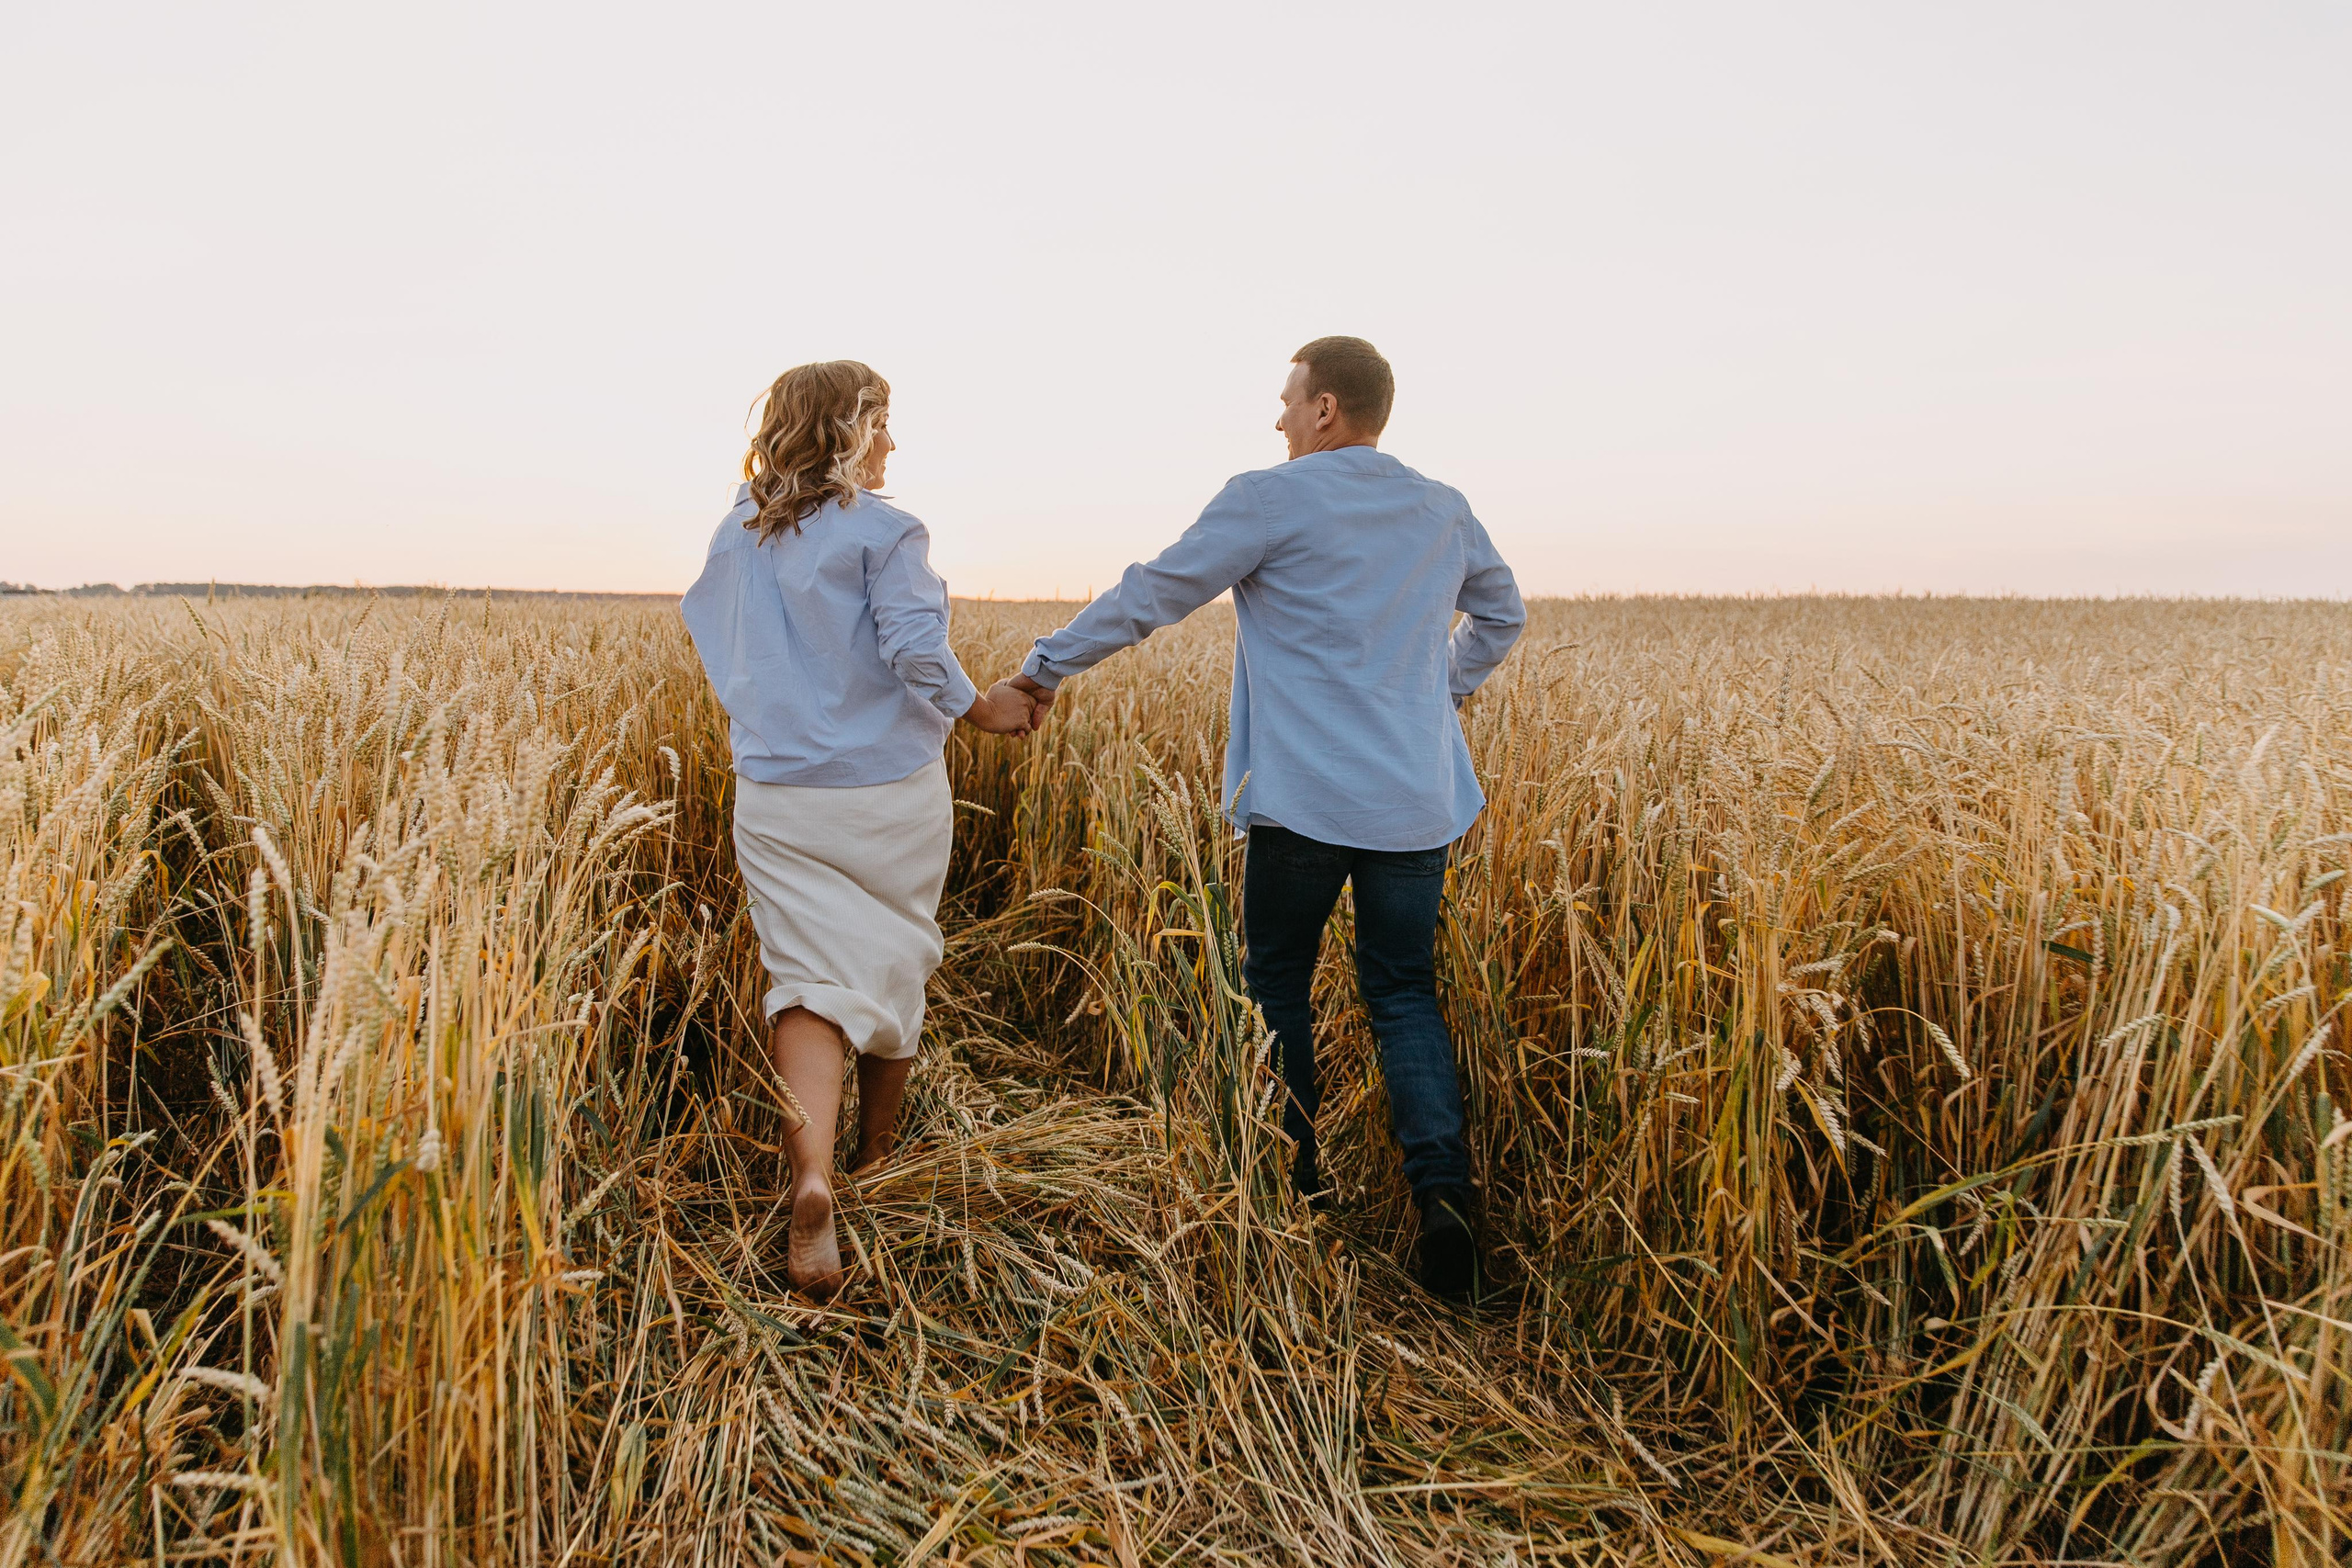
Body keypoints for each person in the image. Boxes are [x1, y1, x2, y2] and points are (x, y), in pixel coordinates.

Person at [1012, 337, 1524, 1300]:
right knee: (1403, 992)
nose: (1278, 417)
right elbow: (1503, 615)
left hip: (1304, 802)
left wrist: (1045, 665)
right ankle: (1443, 1203)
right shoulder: (1442, 508)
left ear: (1325, 408)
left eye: (1289, 399)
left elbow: (1153, 594)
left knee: (1276, 984)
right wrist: (1438, 695)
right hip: (1414, 804)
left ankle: (1294, 1193)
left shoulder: (1269, 498)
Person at [681, 360, 1038, 1298]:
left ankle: (812, 1177)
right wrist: (984, 709)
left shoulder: (737, 531)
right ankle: (878, 1155)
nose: (892, 444)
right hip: (889, 792)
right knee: (895, 956)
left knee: (805, 981)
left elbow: (713, 636)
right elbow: (916, 650)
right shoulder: (887, 531)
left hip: (776, 793)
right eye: (882, 424)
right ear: (847, 431)